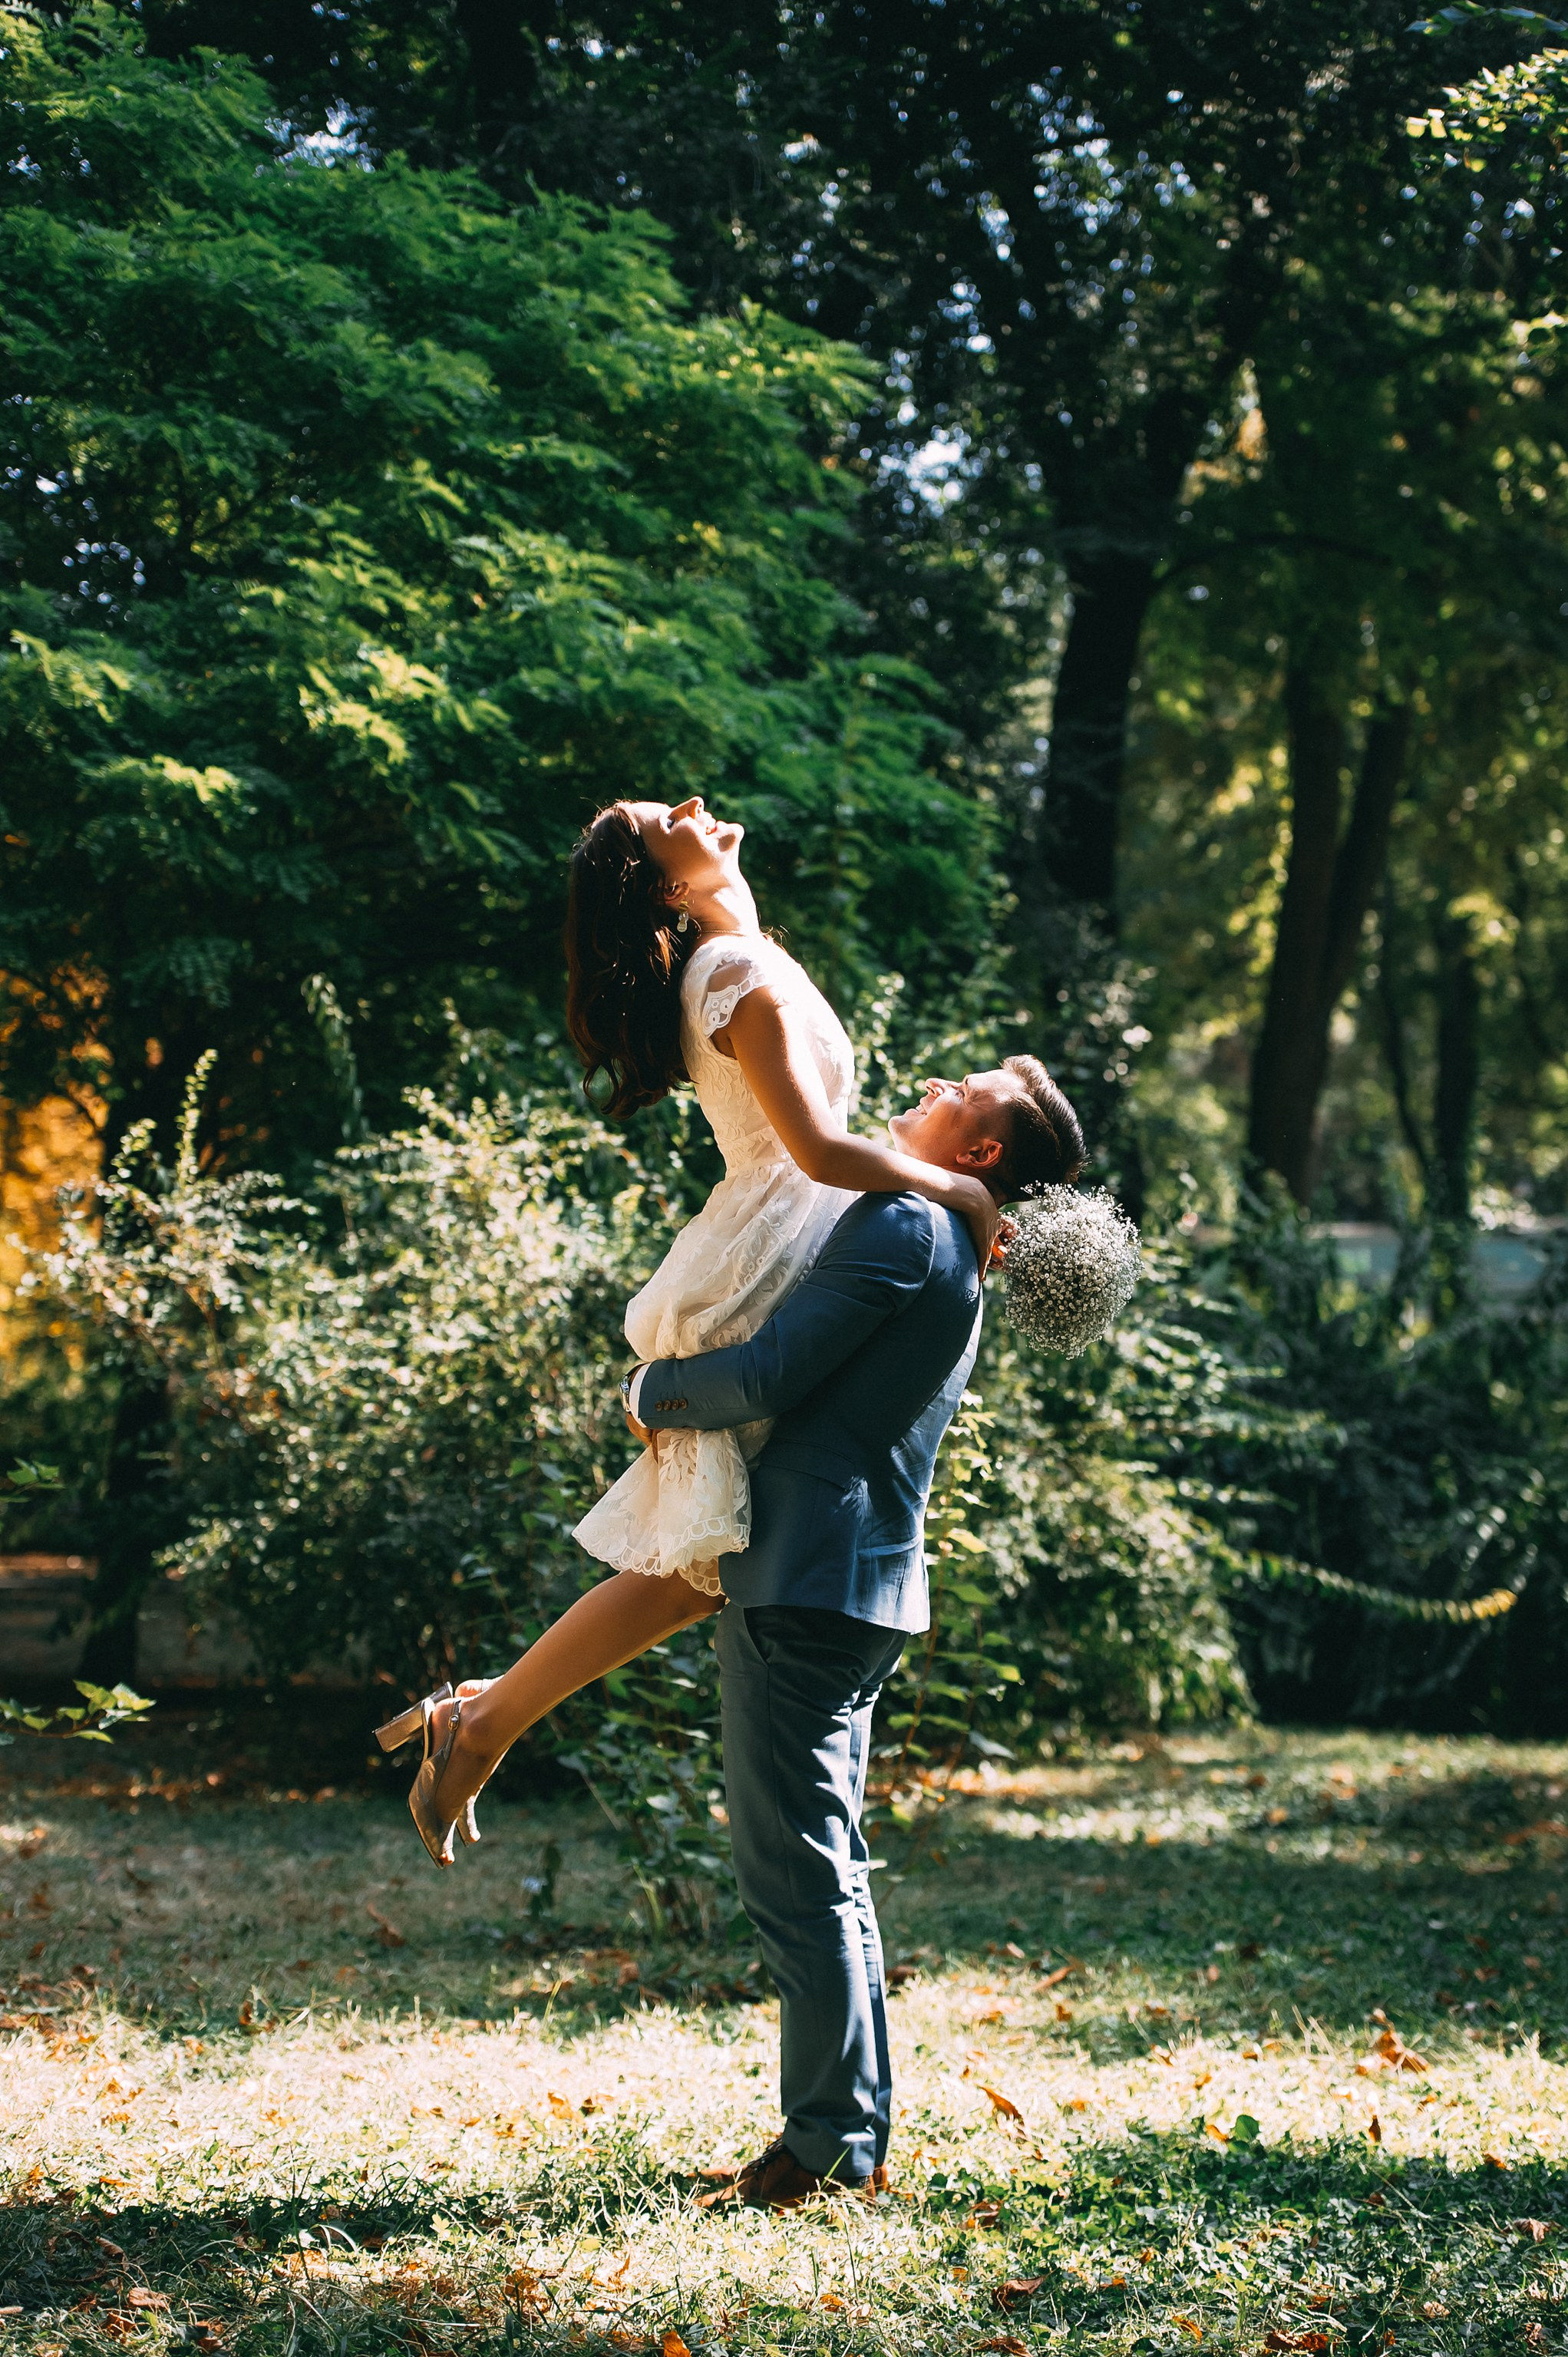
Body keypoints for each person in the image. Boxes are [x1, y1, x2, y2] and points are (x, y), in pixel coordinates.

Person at [375, 794, 1082, 1870]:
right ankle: (483, 1722)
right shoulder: (734, 973)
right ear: (666, 885)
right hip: (763, 1257)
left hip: (790, 1239)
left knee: (695, 1567)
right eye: (667, 818)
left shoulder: (742, 947)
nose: (697, 806)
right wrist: (963, 1191)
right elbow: (820, 1149)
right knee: (699, 1561)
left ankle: (484, 1717)